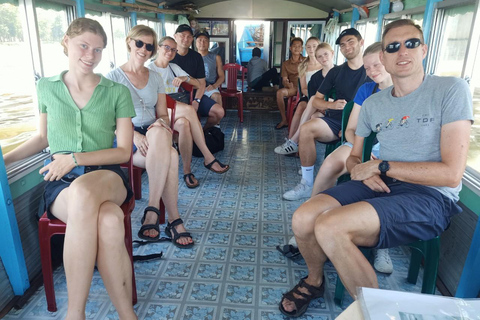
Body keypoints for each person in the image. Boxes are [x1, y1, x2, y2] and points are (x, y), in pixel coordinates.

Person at [279, 19, 473, 318]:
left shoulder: (449, 89)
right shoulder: (374, 103)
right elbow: (355, 155)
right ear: (383, 57)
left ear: (424, 50)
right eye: (392, 47)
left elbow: (450, 174)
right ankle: (315, 280)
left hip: (431, 196)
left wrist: (380, 166)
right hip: (381, 181)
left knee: (330, 226)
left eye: (410, 44)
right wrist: (359, 170)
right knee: (304, 217)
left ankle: (376, 314)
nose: (402, 52)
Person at [3, 18, 138, 319]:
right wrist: (5, 158)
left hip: (107, 175)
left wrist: (74, 158)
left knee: (84, 192)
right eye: (84, 46)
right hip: (60, 182)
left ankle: (74, 315)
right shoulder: (46, 87)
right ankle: (128, 315)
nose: (91, 55)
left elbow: (123, 150)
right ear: (66, 41)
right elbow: (41, 138)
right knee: (109, 222)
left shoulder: (116, 91)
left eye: (99, 50)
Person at [106, 25, 194, 249]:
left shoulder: (155, 77)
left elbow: (163, 113)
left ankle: (152, 208)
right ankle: (173, 219)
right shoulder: (112, 78)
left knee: (157, 130)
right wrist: (134, 135)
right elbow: (109, 122)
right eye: (139, 43)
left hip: (154, 131)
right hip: (127, 138)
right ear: (129, 42)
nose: (144, 49)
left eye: (149, 46)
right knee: (171, 158)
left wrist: (161, 122)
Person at [310, 42, 394, 274]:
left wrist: (378, 158)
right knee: (330, 164)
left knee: (384, 177)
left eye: (376, 65)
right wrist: (364, 150)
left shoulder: (404, 92)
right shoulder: (367, 90)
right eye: (367, 67)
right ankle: (309, 222)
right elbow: (351, 128)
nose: (372, 71)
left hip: (390, 154)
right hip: (362, 145)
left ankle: (382, 244)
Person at [283, 28, 368, 201]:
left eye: (350, 41)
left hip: (363, 125)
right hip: (336, 121)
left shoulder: (373, 70)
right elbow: (316, 100)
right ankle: (306, 183)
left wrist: (350, 129)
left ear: (361, 42)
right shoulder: (335, 72)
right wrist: (332, 104)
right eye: (342, 45)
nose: (347, 47)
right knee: (307, 128)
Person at [148, 36, 230, 188]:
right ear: (158, 48)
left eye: (173, 49)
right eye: (166, 47)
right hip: (159, 109)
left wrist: (184, 77)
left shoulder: (173, 67)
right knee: (190, 110)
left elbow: (198, 83)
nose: (170, 52)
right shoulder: (150, 70)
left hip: (176, 108)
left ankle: (187, 172)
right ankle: (208, 157)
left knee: (184, 124)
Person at [274, 43, 335, 155]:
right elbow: (306, 90)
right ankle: (298, 149)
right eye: (320, 56)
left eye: (326, 54)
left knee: (311, 106)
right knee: (311, 112)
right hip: (313, 100)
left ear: (332, 53)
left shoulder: (340, 73)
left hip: (335, 108)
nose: (323, 58)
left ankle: (294, 142)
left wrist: (325, 105)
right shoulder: (314, 75)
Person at [172, 24, 224, 129]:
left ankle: (205, 132)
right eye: (182, 35)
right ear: (175, 36)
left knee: (219, 112)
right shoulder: (169, 55)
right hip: (174, 96)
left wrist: (197, 100)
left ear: (191, 39)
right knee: (184, 123)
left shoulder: (196, 57)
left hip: (196, 93)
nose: (185, 39)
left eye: (189, 36)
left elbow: (202, 83)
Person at [282, 37, 322, 143]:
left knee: (313, 114)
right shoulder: (303, 65)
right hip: (309, 96)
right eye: (308, 47)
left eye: (314, 46)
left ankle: (302, 142)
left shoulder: (325, 64)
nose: (311, 49)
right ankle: (290, 141)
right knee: (300, 107)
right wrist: (314, 97)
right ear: (305, 49)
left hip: (324, 98)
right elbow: (303, 88)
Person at [275, 37, 304, 129]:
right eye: (294, 46)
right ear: (290, 48)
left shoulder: (306, 61)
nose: (297, 48)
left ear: (302, 49)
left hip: (306, 87)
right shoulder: (286, 64)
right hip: (294, 88)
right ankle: (284, 120)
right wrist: (287, 84)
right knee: (279, 93)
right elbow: (284, 79)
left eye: (299, 46)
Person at [195, 30, 225, 106]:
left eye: (205, 40)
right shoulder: (191, 57)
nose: (202, 43)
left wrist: (214, 86)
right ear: (196, 42)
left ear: (209, 43)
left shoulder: (216, 57)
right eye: (200, 40)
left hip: (209, 87)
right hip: (195, 87)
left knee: (217, 97)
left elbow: (222, 77)